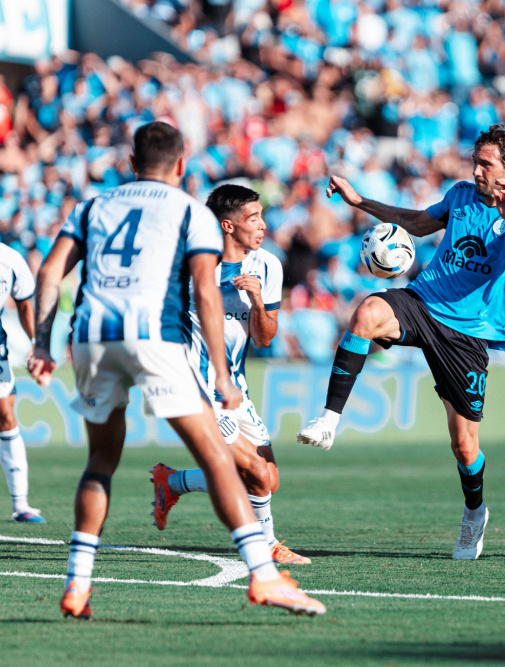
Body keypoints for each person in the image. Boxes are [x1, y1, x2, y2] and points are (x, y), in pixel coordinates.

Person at [28, 121, 325, 618]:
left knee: (100, 461)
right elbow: (207, 293)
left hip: (92, 334)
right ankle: (265, 577)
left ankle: (77, 585)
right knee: (217, 459)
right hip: (157, 339)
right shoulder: (192, 212)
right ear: (183, 165)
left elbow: (49, 271)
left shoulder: (91, 207)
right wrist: (225, 380)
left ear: (129, 164)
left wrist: (41, 342)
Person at [297, 125, 505, 559]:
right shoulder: (459, 195)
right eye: (475, 161)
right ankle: (328, 419)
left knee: (464, 445)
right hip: (425, 301)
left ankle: (475, 512)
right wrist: (360, 201)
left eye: (485, 164)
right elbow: (418, 224)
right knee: (366, 314)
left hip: (469, 334)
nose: (476, 170)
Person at [150, 183, 309, 565]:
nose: (263, 225)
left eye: (261, 216)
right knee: (252, 471)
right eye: (252, 218)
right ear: (227, 226)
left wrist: (257, 302)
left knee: (268, 480)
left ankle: (171, 482)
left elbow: (264, 336)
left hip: (234, 384)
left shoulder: (268, 264)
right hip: (197, 383)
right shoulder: (190, 265)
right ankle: (266, 547)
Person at [0, 243, 44, 523]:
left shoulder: (10, 259)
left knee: (5, 414)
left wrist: (35, 344)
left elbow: (25, 303)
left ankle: (21, 504)